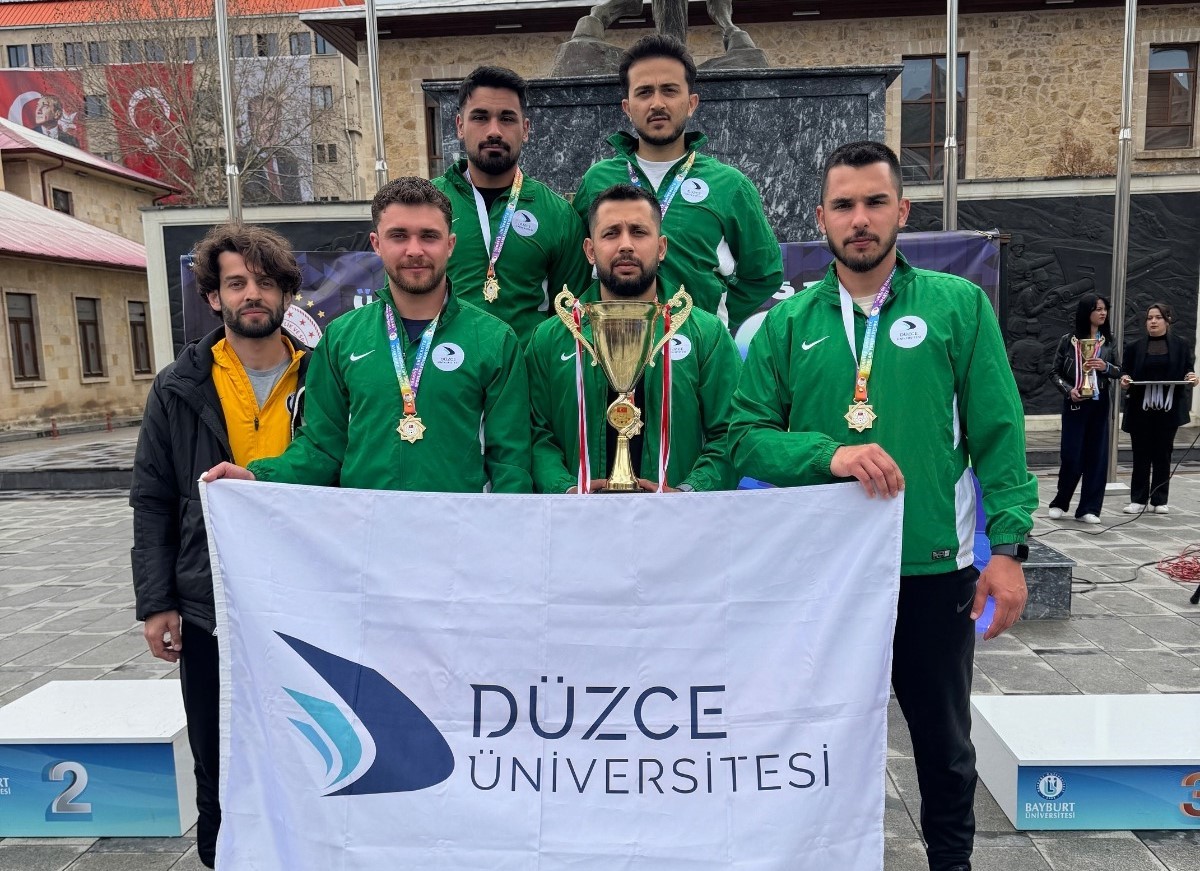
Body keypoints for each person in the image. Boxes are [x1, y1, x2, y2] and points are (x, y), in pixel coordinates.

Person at [728, 141, 1036, 871]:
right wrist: (827, 455)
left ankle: (951, 864)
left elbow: (998, 432)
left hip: (930, 568)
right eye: (844, 205)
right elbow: (744, 437)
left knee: (944, 744)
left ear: (902, 211)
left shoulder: (957, 305)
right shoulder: (785, 324)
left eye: (874, 203)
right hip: (824, 579)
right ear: (820, 219)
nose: (859, 219)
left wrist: (1009, 550)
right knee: (813, 740)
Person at [130, 224, 309, 869]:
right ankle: (221, 857)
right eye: (236, 283)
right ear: (213, 296)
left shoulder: (326, 375)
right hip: (210, 602)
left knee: (307, 749)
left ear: (286, 293)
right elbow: (153, 498)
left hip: (305, 599)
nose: (251, 294)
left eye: (265, 282)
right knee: (217, 752)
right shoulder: (178, 386)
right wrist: (157, 602)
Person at [204, 177, 532, 492]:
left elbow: (511, 464)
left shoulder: (494, 339)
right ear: (376, 244)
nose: (414, 250)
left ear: (450, 245)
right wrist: (257, 477)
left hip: (459, 526)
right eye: (399, 236)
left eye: (429, 236)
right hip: (366, 527)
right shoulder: (341, 338)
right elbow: (321, 450)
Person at [526, 183, 740, 493]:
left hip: (676, 518)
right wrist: (565, 489)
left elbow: (731, 433)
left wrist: (688, 492)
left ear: (661, 247)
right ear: (590, 250)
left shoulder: (706, 335)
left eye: (639, 232)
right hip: (577, 516)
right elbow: (535, 434)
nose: (625, 245)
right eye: (611, 233)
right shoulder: (549, 339)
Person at [572, 34, 782, 335]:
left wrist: (712, 317)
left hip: (699, 353)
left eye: (669, 91)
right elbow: (576, 268)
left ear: (691, 103)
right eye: (644, 92)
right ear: (627, 107)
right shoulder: (597, 180)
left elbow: (765, 274)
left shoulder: (729, 185)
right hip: (615, 345)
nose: (657, 103)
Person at [433, 66, 590, 344]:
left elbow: (571, 319)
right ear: (459, 126)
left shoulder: (558, 215)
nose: (494, 131)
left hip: (528, 370)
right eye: (480, 117)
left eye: (507, 118)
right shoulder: (427, 204)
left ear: (525, 129)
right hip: (443, 366)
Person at [1048, 294, 1121, 523]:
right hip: (1075, 403)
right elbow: (1054, 372)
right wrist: (1068, 390)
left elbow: (1120, 370)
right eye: (1098, 309)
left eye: (1105, 309)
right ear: (1086, 311)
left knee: (1097, 456)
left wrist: (1105, 366)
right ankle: (1060, 502)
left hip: (1100, 403)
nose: (1103, 313)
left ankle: (1089, 508)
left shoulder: (1108, 341)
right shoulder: (1068, 340)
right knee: (1071, 455)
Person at [1119, 302, 1197, 515]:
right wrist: (1124, 379)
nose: (1152, 321)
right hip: (1141, 409)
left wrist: (1192, 378)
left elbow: (1188, 370)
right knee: (1141, 455)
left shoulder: (1181, 345)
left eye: (1158, 317)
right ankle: (1138, 499)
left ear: (1167, 320)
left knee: (1163, 454)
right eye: (1149, 318)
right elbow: (1125, 371)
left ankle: (1159, 499)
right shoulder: (1134, 346)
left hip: (1168, 410)